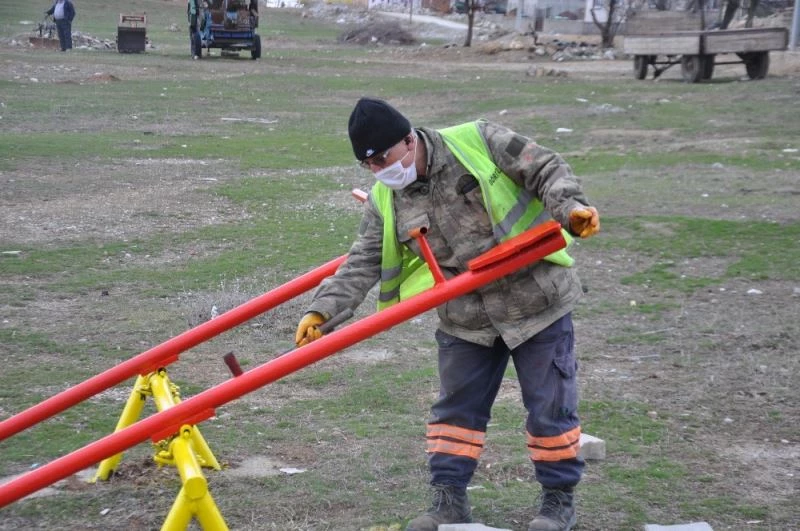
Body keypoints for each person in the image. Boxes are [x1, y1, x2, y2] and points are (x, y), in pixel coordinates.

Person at [295, 97, 600, 531]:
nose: (380, 171)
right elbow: (362, 259)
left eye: (383, 159)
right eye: (369, 165)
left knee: (550, 407)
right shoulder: (385, 198)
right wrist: (322, 310)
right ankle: (448, 501)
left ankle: (557, 502)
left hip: (536, 301)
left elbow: (545, 167)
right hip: (466, 317)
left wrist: (571, 209)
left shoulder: (478, 140)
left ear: (409, 140)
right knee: (455, 413)